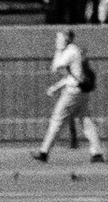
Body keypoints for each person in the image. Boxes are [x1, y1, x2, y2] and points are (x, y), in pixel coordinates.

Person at [36, 25, 97, 162]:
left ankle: (44, 152)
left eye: (59, 38)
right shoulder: (75, 50)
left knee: (57, 119)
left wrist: (58, 50)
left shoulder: (69, 52)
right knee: (86, 121)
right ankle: (96, 152)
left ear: (66, 38)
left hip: (72, 92)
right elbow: (71, 75)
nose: (56, 41)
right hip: (81, 91)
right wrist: (56, 87)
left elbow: (56, 68)